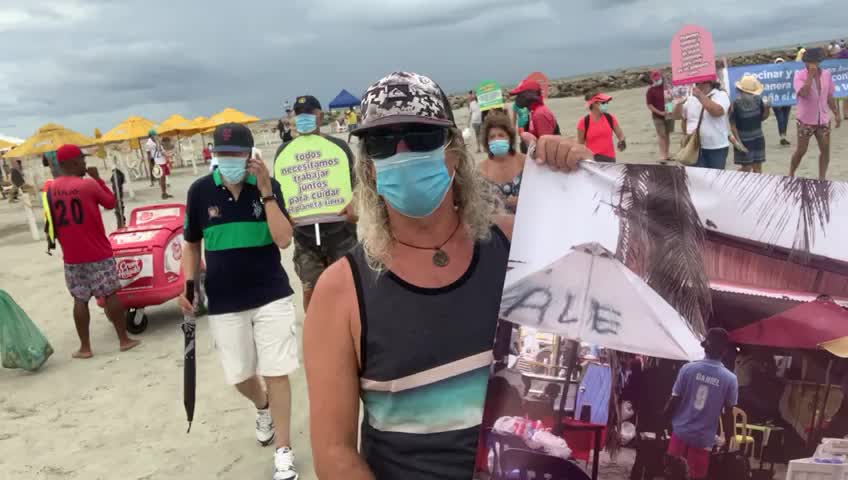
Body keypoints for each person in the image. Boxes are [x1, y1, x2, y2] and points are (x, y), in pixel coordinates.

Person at [302, 71, 590, 480]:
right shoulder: (341, 290)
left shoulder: (515, 243)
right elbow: (334, 453)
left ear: (454, 152)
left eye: (420, 137)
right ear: (367, 168)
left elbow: (600, 277)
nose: (402, 154)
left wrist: (579, 180)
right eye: (382, 144)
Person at [178, 123, 300, 480]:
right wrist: (189, 286)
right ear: (214, 155)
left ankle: (283, 450)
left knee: (277, 372)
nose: (228, 160)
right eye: (222, 154)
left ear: (250, 156)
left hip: (271, 294)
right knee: (241, 375)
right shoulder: (200, 192)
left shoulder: (268, 187)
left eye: (236, 155)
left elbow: (283, 240)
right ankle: (262, 406)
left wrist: (266, 192)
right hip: (224, 299)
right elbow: (191, 243)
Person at [45, 144, 140, 358]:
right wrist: (98, 179)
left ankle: (85, 348)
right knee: (110, 294)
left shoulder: (50, 189)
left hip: (71, 256)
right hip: (97, 252)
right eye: (82, 160)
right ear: (72, 163)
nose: (85, 164)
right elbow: (110, 202)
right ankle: (123, 340)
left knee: (80, 299)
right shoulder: (88, 185)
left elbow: (51, 221)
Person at [276, 95, 358, 311]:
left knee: (349, 291)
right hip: (304, 237)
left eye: (309, 113)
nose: (304, 117)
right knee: (311, 293)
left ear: (319, 116)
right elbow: (281, 191)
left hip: (342, 233)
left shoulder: (339, 147)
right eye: (299, 113)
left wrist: (354, 206)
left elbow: (356, 186)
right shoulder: (284, 152)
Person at [664, 328, 738, 480]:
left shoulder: (687, 369)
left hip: (680, 434)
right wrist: (728, 440)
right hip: (703, 439)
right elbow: (728, 414)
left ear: (705, 348)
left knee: (672, 476)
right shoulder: (730, 379)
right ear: (724, 352)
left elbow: (674, 401)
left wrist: (662, 425)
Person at [789, 48, 841, 180]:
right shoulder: (799, 75)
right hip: (805, 120)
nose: (813, 64)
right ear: (805, 63)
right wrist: (810, 76)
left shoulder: (826, 74)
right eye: (810, 62)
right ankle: (791, 172)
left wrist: (836, 113)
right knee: (801, 150)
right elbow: (804, 93)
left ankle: (822, 178)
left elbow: (829, 95)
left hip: (823, 119)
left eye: (816, 62)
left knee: (825, 150)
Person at [677, 78, 731, 170]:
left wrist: (700, 96)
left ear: (709, 83)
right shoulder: (690, 98)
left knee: (715, 178)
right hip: (694, 146)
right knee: (697, 179)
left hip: (716, 147)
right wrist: (677, 104)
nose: (696, 84)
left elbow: (717, 112)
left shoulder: (721, 95)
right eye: (696, 82)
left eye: (699, 82)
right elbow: (680, 117)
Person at [479, 112, 524, 213]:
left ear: (510, 138)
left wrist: (522, 201)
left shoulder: (524, 162)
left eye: (501, 135)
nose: (497, 139)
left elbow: (538, 194)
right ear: (487, 142)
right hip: (496, 226)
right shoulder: (481, 170)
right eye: (492, 137)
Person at [729, 75, 769, 173]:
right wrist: (739, 143)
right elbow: (732, 125)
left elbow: (762, 118)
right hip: (744, 139)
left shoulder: (758, 100)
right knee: (746, 169)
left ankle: (758, 188)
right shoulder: (735, 104)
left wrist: (767, 108)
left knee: (758, 168)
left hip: (758, 138)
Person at [578, 92, 627, 163]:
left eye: (607, 103)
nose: (606, 105)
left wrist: (622, 141)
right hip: (592, 161)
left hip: (610, 159)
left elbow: (620, 134)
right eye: (603, 103)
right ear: (594, 104)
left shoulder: (610, 118)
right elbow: (580, 144)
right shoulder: (584, 122)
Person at [646, 70, 674, 162]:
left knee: (667, 134)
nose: (657, 79)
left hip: (669, 114)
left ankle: (667, 154)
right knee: (661, 135)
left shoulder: (666, 87)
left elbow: (670, 98)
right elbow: (650, 105)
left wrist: (669, 110)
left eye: (658, 76)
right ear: (652, 78)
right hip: (657, 117)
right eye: (654, 77)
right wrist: (660, 113)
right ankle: (662, 155)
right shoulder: (650, 90)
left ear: (661, 76)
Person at [144, 129, 172, 199]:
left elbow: (162, 150)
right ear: (151, 136)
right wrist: (150, 164)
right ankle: (163, 193)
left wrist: (167, 157)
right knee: (161, 178)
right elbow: (148, 155)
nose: (156, 136)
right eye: (155, 135)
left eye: (156, 135)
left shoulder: (157, 141)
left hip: (163, 160)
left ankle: (165, 192)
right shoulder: (148, 144)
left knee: (164, 178)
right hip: (157, 161)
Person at [772, 59, 793, 146]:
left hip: (787, 99)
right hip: (777, 100)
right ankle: (782, 137)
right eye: (778, 64)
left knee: (785, 118)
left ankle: (783, 135)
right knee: (780, 119)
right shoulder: (772, 76)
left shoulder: (788, 75)